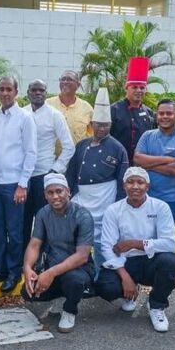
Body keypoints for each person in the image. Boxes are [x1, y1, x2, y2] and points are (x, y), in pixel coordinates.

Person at [94, 167, 175, 333]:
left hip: (152, 261)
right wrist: (125, 277)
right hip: (126, 263)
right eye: (130, 182)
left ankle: (156, 305)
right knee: (105, 287)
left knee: (171, 262)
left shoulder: (160, 207)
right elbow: (107, 247)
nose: (135, 186)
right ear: (124, 186)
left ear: (147, 187)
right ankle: (130, 292)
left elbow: (170, 244)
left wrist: (134, 243)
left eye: (140, 182)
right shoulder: (113, 210)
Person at [21, 173, 94, 333]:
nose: (55, 196)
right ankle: (64, 291)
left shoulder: (83, 215)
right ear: (45, 195)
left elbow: (82, 255)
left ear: (68, 191)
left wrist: (50, 273)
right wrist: (27, 268)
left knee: (74, 281)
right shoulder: (43, 213)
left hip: (78, 269)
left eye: (59, 191)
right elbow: (34, 244)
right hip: (52, 268)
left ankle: (69, 309)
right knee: (27, 293)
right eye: (50, 192)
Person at [0, 76, 37, 294]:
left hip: (14, 184)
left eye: (9, 89)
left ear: (16, 92)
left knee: (14, 231)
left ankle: (14, 272)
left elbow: (31, 152)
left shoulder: (25, 118)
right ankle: (0, 268)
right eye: (1, 89)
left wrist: (22, 184)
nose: (5, 93)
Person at [65, 88, 128, 251]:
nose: (102, 129)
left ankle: (103, 271)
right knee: (75, 234)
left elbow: (122, 180)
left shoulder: (118, 148)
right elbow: (72, 172)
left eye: (106, 125)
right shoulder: (82, 145)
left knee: (103, 238)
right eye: (98, 125)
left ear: (110, 125)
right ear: (92, 125)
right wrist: (69, 193)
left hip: (105, 197)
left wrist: (119, 204)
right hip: (81, 196)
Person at [133, 99, 175, 224]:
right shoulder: (147, 135)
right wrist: (168, 160)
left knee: (166, 238)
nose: (165, 116)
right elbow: (137, 160)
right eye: (161, 113)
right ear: (156, 116)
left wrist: (149, 166)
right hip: (144, 197)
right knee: (143, 236)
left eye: (169, 113)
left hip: (171, 199)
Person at [25, 80, 74, 228]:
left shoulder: (55, 115)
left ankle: (44, 251)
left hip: (44, 174)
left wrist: (54, 170)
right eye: (34, 90)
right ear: (28, 93)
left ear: (46, 93)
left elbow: (69, 147)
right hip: (23, 177)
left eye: (41, 90)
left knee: (44, 219)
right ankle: (23, 251)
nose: (38, 93)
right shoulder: (21, 113)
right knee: (23, 220)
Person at [110, 57, 155, 158]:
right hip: (117, 160)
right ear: (126, 88)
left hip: (141, 163)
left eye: (142, 88)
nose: (139, 90)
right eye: (134, 87)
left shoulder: (149, 112)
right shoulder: (114, 110)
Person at [46, 70, 93, 147]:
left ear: (78, 84)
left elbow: (92, 135)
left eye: (69, 79)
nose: (65, 82)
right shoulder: (47, 104)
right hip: (51, 157)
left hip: (77, 157)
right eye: (63, 79)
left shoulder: (87, 108)